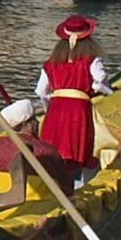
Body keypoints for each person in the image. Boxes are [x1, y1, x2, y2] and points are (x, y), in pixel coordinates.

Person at [0, 97, 82, 223]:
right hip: (35, 209)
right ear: (26, 124)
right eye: (34, 120)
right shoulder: (45, 151)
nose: (38, 123)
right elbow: (67, 187)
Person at [35, 17, 111, 169]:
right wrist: (104, 91)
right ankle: (74, 183)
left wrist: (48, 108)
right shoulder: (91, 60)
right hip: (78, 110)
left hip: (55, 110)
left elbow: (41, 91)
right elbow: (100, 79)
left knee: (52, 151)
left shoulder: (51, 63)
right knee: (75, 150)